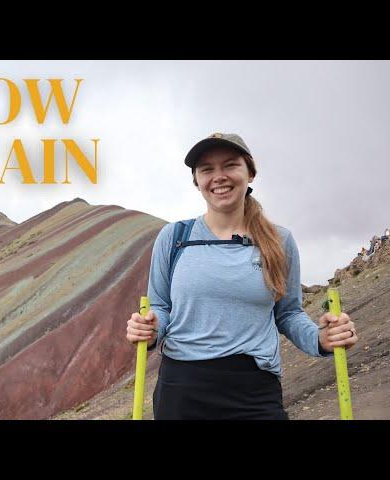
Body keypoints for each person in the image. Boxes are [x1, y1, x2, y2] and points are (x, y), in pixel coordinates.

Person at [125, 132, 358, 420]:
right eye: (206, 169)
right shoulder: (175, 237)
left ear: (250, 173)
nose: (218, 176)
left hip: (254, 391)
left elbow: (287, 314)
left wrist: (321, 339)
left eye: (230, 165)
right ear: (197, 181)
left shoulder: (279, 240)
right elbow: (161, 307)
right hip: (182, 389)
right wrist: (148, 330)